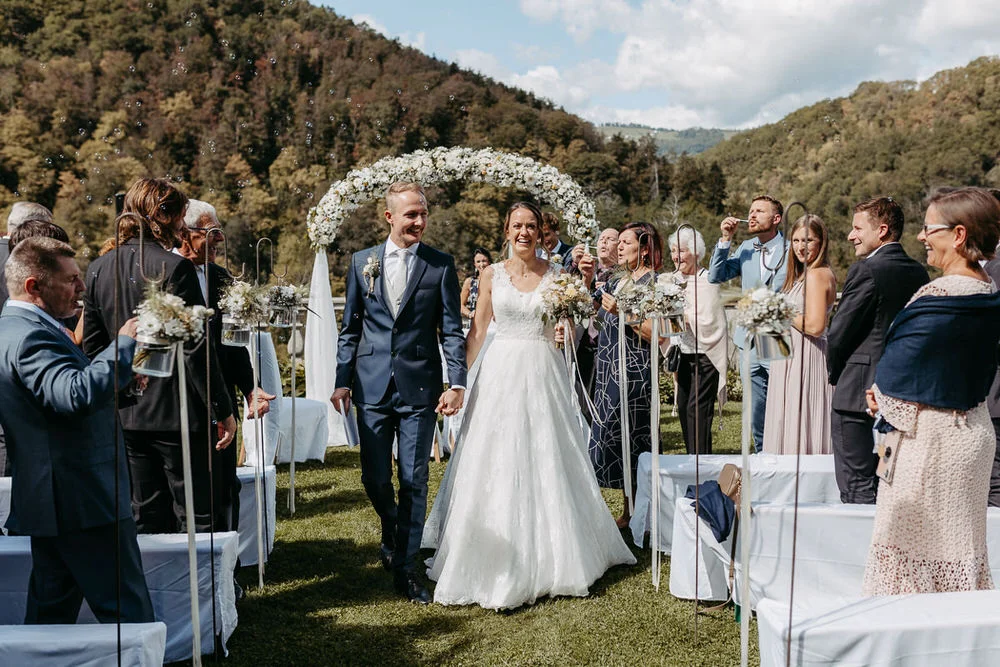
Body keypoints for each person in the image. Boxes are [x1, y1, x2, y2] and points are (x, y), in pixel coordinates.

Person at [424, 201, 635, 610]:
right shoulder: (490, 275)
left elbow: (570, 334)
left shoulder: (557, 275)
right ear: (506, 230)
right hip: (500, 373)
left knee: (548, 454)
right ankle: (488, 552)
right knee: (494, 456)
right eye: (517, 225)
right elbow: (478, 331)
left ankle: (557, 553)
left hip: (543, 370)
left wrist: (566, 327)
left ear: (541, 231)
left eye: (531, 226)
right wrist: (457, 384)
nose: (524, 232)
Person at [0, 237, 153, 623]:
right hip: (83, 499)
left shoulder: (17, 328)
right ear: (35, 286)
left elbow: (53, 400)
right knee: (128, 615)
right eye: (71, 280)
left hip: (56, 499)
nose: (82, 288)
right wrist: (121, 347)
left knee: (50, 616)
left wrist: (122, 378)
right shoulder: (30, 336)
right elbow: (72, 394)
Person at [331, 182, 467, 604]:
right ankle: (393, 526)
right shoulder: (361, 262)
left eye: (424, 213)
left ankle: (407, 568)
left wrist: (457, 381)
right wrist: (341, 378)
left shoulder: (440, 265)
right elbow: (350, 328)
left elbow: (451, 330)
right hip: (370, 386)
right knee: (374, 478)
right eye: (411, 215)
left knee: (414, 478)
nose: (420, 222)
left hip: (419, 388)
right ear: (389, 217)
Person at [862, 187, 1000, 594]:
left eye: (928, 229)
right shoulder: (989, 291)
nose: (921, 237)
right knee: (960, 551)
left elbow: (897, 369)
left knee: (910, 558)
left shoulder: (938, 295)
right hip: (973, 432)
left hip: (930, 441)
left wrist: (880, 399)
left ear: (958, 235)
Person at [83, 178, 236, 534]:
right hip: (178, 413)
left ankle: (155, 589)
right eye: (181, 217)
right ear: (164, 217)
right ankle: (204, 590)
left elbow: (92, 347)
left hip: (125, 414)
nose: (183, 227)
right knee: (197, 514)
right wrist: (223, 410)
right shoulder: (175, 267)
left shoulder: (97, 269)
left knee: (146, 514)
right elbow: (197, 348)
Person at [177, 200, 272, 546]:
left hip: (221, 402)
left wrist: (250, 390)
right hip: (180, 402)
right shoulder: (167, 273)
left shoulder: (221, 278)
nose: (219, 240)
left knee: (224, 487)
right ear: (186, 234)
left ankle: (226, 570)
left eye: (220, 232)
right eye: (212, 232)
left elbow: (234, 345)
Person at [827, 197, 928, 504]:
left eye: (858, 228)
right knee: (888, 475)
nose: (850, 235)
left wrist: (836, 374)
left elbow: (838, 333)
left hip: (857, 394)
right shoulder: (919, 272)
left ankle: (859, 546)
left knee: (856, 480)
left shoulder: (866, 270)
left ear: (882, 230)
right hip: (901, 391)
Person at [588, 222, 663, 527]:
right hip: (608, 368)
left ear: (644, 249)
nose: (618, 247)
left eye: (626, 243)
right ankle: (628, 507)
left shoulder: (654, 284)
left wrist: (623, 312)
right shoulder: (618, 279)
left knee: (635, 438)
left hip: (635, 371)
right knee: (614, 438)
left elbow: (657, 334)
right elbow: (593, 309)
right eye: (617, 242)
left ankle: (641, 510)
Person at [708, 195, 789, 452]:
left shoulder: (791, 249)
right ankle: (762, 455)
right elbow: (715, 275)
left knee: (782, 401)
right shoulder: (745, 247)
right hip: (748, 341)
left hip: (777, 335)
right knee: (754, 407)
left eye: (759, 211)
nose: (751, 215)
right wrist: (725, 240)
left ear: (776, 219)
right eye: (751, 211)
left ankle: (784, 452)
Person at [762, 214, 837, 455]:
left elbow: (815, 326)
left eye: (808, 240)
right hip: (789, 358)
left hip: (806, 359)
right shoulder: (803, 275)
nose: (800, 247)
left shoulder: (817, 275)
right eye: (795, 241)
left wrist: (780, 308)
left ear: (821, 242)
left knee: (801, 419)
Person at [665, 227, 728, 455]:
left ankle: (702, 465)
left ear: (696, 252)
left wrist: (685, 317)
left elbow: (713, 321)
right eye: (673, 251)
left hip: (706, 354)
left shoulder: (707, 280)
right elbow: (669, 320)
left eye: (681, 251)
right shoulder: (670, 281)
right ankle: (692, 461)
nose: (676, 257)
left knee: (697, 410)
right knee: (683, 407)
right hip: (682, 354)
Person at [460, 247, 492, 322]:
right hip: (476, 325)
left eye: (484, 261)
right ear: (474, 264)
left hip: (494, 324)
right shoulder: (469, 282)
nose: (481, 264)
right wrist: (470, 313)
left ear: (489, 262)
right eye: (478, 262)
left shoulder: (497, 280)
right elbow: (460, 305)